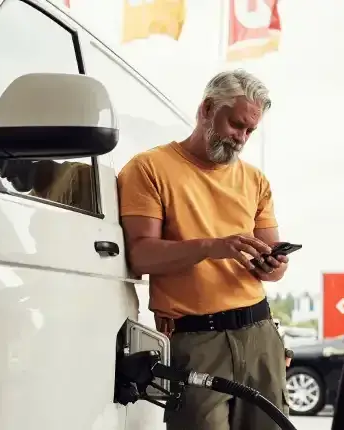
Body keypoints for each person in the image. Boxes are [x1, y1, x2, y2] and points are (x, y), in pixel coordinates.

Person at [117, 69, 290, 430]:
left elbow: (276, 270)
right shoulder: (149, 168)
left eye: (249, 131)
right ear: (207, 109)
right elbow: (141, 255)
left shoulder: (256, 180)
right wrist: (212, 247)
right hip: (195, 341)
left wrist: (271, 263)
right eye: (236, 125)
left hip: (259, 332)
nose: (241, 138)